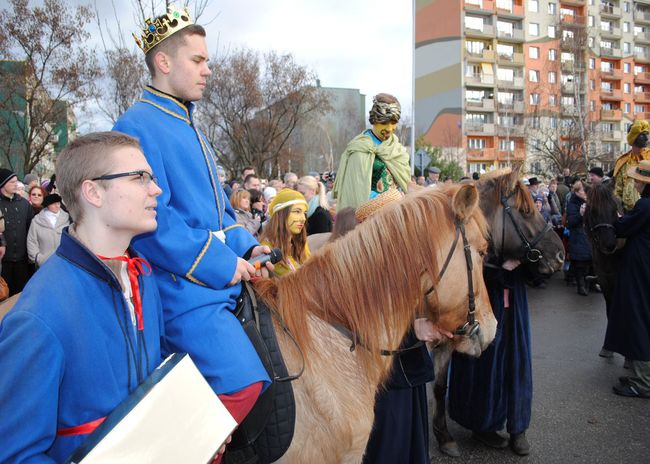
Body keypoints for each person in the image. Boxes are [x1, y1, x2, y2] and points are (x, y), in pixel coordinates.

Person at [114, 5, 271, 433]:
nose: (208, 71)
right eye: (198, 60)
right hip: (179, 286)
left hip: (213, 274)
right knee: (243, 383)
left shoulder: (193, 128)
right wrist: (224, 264)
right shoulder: (135, 125)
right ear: (163, 62)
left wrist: (250, 246)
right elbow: (153, 225)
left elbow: (220, 209)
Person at [0, 132, 165, 462]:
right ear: (93, 192)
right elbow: (15, 454)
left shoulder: (142, 278)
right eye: (139, 178)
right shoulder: (38, 317)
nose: (156, 188)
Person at [449, 258, 533, 456]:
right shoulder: (473, 226)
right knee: (485, 366)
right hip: (482, 300)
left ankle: (518, 428)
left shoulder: (519, 225)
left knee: (517, 363)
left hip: (515, 302)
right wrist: (497, 266)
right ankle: (483, 425)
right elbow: (461, 261)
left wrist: (532, 261)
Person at [603, 159, 650, 398]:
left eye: (639, 181)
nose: (636, 185)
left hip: (641, 267)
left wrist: (618, 218)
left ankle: (644, 381)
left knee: (639, 317)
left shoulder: (645, 206)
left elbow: (622, 228)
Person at [332, 93, 411, 210]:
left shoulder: (397, 150)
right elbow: (355, 192)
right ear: (374, 121)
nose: (389, 129)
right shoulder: (360, 149)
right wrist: (383, 201)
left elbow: (405, 185)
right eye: (384, 123)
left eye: (393, 123)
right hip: (368, 217)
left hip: (395, 213)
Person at [259, 188, 310, 276]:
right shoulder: (266, 249)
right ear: (281, 215)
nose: (303, 218)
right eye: (297, 212)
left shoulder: (300, 243)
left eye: (304, 213)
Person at [0, 168, 34, 295]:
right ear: (3, 184)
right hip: (3, 261)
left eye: (16, 181)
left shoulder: (24, 204)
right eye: (12, 182)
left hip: (22, 260)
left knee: (21, 294)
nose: (16, 184)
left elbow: (31, 230)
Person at [27, 193, 71, 268]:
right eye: (54, 204)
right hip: (44, 263)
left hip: (64, 262)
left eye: (58, 203)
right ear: (48, 205)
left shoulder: (67, 218)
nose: (57, 206)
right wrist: (38, 258)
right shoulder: (37, 220)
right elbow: (31, 241)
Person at [614, 120, 650, 212]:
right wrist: (620, 212)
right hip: (628, 213)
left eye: (646, 134)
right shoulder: (623, 161)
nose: (646, 138)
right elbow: (618, 190)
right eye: (642, 134)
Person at [566, 180, 593, 296]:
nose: (585, 192)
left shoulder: (589, 201)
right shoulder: (572, 203)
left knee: (590, 261)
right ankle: (580, 285)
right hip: (578, 236)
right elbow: (571, 222)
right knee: (579, 263)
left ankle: (589, 284)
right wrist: (580, 214)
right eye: (583, 190)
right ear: (577, 191)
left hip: (589, 235)